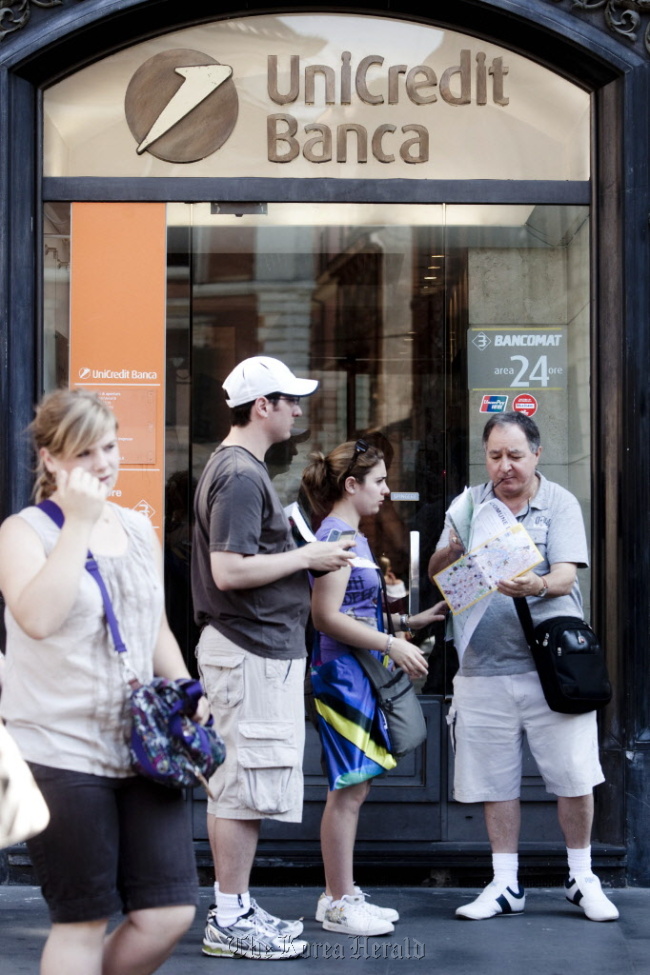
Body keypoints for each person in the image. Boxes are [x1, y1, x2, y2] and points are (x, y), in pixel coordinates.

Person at [0, 389, 204, 975]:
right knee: (82, 921)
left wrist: (188, 692)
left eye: (110, 447)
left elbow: (153, 623)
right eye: (86, 452)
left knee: (168, 913)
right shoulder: (25, 532)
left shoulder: (138, 529)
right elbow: (37, 617)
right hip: (61, 752)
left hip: (143, 745)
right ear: (50, 459)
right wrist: (77, 527)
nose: (104, 463)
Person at [191, 356, 355, 961]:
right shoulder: (238, 474)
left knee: (246, 783)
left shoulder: (238, 468)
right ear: (263, 406)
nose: (297, 411)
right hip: (249, 647)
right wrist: (306, 560)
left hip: (255, 648)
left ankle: (234, 904)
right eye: (289, 401)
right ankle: (229, 916)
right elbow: (228, 571)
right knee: (240, 786)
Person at [428, 411, 619, 923]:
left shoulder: (558, 502)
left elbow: (561, 578)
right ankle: (505, 882)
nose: (505, 466)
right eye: (495, 456)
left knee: (574, 775)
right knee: (494, 782)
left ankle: (582, 878)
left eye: (515, 455)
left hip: (553, 669)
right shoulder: (468, 505)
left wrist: (532, 585)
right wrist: (452, 552)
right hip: (482, 668)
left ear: (536, 454)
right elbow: (444, 580)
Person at [301, 440, 447, 936]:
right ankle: (339, 901)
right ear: (351, 485)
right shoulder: (337, 538)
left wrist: (411, 620)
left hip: (357, 672)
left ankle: (337, 895)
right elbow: (325, 617)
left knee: (354, 788)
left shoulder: (351, 536)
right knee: (348, 789)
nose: (387, 489)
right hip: (343, 676)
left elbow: (354, 610)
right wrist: (392, 641)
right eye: (380, 481)